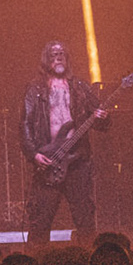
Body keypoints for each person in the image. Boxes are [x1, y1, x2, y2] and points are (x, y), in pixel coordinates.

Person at [20, 39, 108, 249]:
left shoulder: (80, 87)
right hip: (49, 161)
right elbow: (24, 124)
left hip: (77, 162)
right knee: (40, 223)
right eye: (53, 55)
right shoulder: (35, 89)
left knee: (85, 219)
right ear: (46, 60)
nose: (58, 57)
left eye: (62, 54)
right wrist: (34, 154)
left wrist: (103, 117)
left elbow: (102, 123)